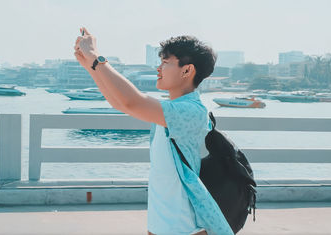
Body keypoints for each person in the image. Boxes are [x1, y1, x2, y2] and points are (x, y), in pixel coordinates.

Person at [74, 27, 233, 235]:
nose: (158, 69)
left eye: (165, 63)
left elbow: (132, 102)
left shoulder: (191, 111)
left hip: (185, 226)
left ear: (187, 70)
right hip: (164, 223)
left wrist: (96, 57)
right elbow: (121, 104)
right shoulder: (172, 110)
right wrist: (90, 66)